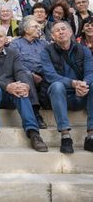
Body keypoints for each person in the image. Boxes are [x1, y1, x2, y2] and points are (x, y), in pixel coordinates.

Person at [0, 24, 48, 152]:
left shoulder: (13, 53)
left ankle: (34, 133)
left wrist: (25, 84)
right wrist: (7, 86)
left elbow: (20, 71)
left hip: (12, 93)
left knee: (21, 90)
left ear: (5, 39)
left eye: (1, 36)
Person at [41, 21, 93, 154]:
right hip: (58, 96)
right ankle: (65, 136)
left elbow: (90, 72)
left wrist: (84, 84)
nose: (61, 32)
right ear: (52, 36)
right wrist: (74, 83)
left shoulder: (84, 50)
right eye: (57, 31)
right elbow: (50, 76)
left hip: (81, 94)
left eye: (63, 29)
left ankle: (91, 136)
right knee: (57, 85)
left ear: (71, 32)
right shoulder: (46, 51)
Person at [9, 16, 49, 128]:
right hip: (26, 74)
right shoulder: (16, 44)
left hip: (43, 74)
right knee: (25, 75)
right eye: (35, 26)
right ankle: (35, 112)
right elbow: (16, 64)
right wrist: (32, 75)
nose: (39, 29)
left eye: (39, 27)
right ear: (26, 30)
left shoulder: (44, 44)